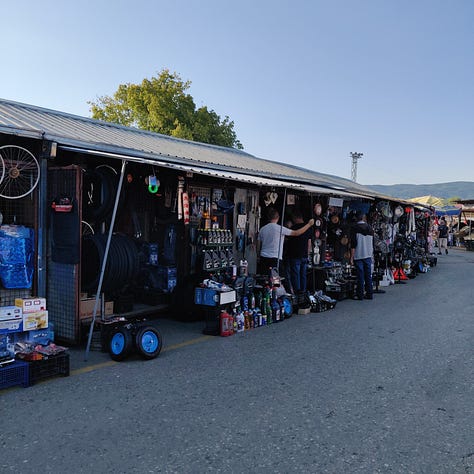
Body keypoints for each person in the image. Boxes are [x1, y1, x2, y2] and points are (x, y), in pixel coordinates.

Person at [257, 207, 314, 275]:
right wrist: (308, 225)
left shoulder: (262, 229)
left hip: (264, 257)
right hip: (276, 258)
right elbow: (296, 233)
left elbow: (258, 245)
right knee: (276, 279)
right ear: (278, 217)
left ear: (268, 218)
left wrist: (258, 256)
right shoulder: (280, 229)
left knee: (264, 277)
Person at [285, 209, 313, 295]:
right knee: (303, 274)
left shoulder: (294, 228)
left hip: (295, 254)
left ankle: (297, 291)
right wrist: (308, 254)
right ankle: (303, 291)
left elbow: (287, 239)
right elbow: (309, 242)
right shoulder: (308, 228)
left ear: (295, 218)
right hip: (304, 254)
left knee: (295, 274)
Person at [350, 212, 374, 300]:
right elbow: (373, 243)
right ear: (364, 218)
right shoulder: (370, 228)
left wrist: (351, 257)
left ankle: (360, 295)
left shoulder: (354, 228)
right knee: (368, 275)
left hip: (358, 254)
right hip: (368, 254)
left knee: (360, 276)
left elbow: (353, 244)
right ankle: (369, 294)